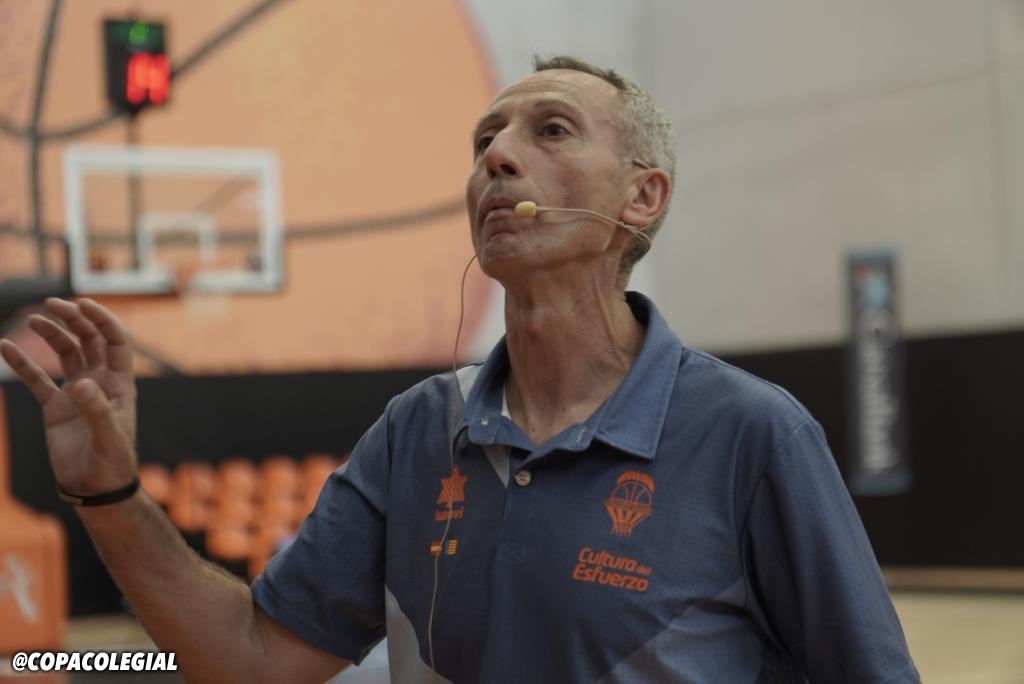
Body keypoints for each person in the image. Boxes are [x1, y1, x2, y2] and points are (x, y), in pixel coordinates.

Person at [0, 55, 919, 683]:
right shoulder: (415, 430)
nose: (497, 158)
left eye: (551, 131)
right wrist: (110, 495)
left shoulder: (752, 432)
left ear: (643, 197)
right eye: (484, 143)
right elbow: (250, 659)